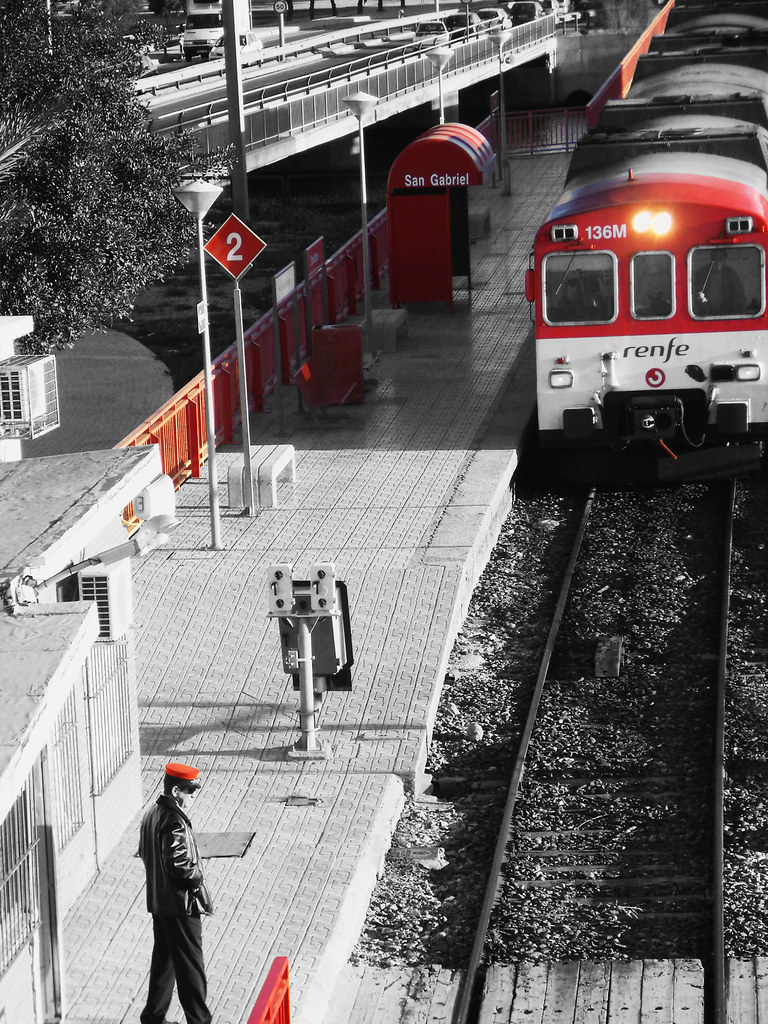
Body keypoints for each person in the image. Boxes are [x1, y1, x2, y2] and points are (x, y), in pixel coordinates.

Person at [139, 763, 214, 1024]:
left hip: (159, 903)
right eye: (190, 791)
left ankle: (153, 1017)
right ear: (175, 790)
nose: (193, 797)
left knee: (164, 961)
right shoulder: (174, 821)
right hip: (181, 906)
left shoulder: (152, 813)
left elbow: (145, 853)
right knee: (191, 966)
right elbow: (178, 864)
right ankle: (199, 1020)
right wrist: (197, 880)